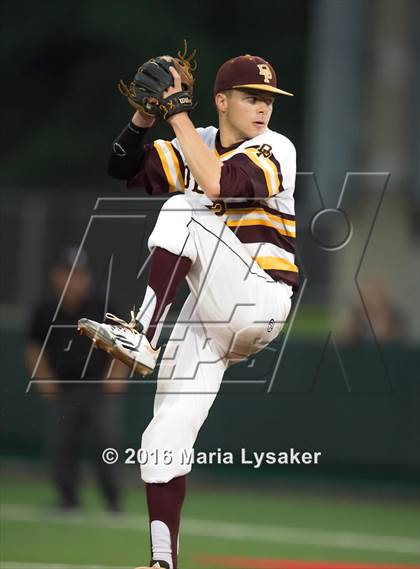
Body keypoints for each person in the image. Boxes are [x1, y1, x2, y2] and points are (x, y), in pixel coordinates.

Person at [79, 54, 298, 568]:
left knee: (185, 208)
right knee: (162, 437)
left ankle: (143, 332)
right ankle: (162, 561)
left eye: (267, 99)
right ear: (222, 101)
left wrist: (175, 112)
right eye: (251, 97)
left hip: (259, 299)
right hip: (210, 316)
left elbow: (219, 183)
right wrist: (144, 117)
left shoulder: (276, 147)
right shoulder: (196, 138)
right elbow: (122, 167)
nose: (262, 107)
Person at [27, 247, 127, 512]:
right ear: (55, 276)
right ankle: (68, 499)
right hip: (64, 389)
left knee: (106, 444)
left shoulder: (103, 307)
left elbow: (124, 343)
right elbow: (35, 346)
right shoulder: (46, 308)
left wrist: (116, 376)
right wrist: (43, 378)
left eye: (78, 274)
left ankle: (113, 501)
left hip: (98, 390)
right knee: (61, 445)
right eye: (66, 273)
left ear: (87, 277)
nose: (72, 280)